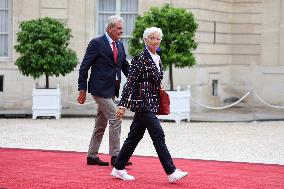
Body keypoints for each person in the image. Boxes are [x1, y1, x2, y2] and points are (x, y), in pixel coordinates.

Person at [110, 27, 188, 183]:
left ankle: (118, 168)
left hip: (152, 103)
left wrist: (159, 87)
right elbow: (130, 82)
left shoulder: (157, 57)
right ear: (145, 40)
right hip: (142, 103)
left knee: (134, 137)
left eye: (158, 38)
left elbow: (153, 79)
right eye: (152, 38)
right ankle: (171, 172)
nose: (156, 41)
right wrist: (122, 104)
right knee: (158, 134)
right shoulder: (141, 58)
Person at [77, 15, 132, 167]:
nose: (122, 31)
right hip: (99, 89)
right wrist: (82, 88)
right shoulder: (96, 43)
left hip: (112, 90)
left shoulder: (120, 45)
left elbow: (125, 67)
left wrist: (137, 79)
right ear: (110, 29)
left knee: (101, 124)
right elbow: (84, 67)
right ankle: (116, 157)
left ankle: (92, 156)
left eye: (122, 28)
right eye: (119, 28)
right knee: (116, 118)